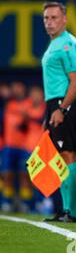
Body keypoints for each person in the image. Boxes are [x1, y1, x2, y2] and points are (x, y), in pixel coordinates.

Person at [41, 1, 76, 223]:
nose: (49, 22)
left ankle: (72, 211)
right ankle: (66, 209)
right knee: (60, 157)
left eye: (54, 17)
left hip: (64, 103)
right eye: (46, 18)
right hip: (55, 105)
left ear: (64, 19)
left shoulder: (67, 44)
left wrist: (61, 108)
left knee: (68, 155)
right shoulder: (55, 44)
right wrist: (49, 113)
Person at [1, 81, 29, 212]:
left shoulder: (28, 103)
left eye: (19, 87)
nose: (17, 90)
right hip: (8, 145)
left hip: (24, 146)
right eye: (14, 88)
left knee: (25, 176)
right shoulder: (7, 103)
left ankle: (26, 203)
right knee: (7, 175)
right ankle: (7, 202)